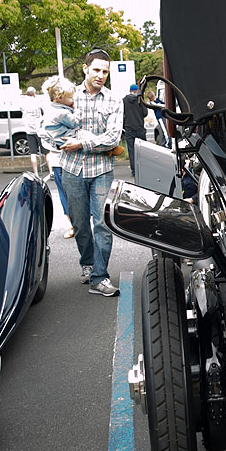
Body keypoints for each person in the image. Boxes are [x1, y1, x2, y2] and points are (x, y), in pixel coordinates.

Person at [59, 49, 124, 297]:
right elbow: (54, 130)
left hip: (101, 170)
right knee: (79, 224)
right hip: (71, 168)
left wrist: (82, 143)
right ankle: (87, 263)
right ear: (85, 69)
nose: (101, 75)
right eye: (96, 70)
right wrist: (66, 140)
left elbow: (112, 137)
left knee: (103, 223)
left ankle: (100, 276)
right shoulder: (68, 95)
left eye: (105, 71)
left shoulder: (113, 100)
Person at [38, 75, 84, 239]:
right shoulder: (60, 113)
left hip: (59, 158)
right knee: (71, 193)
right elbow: (79, 121)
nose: (73, 99)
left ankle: (74, 224)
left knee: (67, 194)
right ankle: (76, 224)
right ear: (59, 98)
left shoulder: (51, 109)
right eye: (70, 97)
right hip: (64, 158)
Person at [122, 83, 147, 177]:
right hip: (140, 127)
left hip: (129, 128)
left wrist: (124, 125)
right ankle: (143, 169)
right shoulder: (140, 99)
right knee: (142, 149)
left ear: (130, 90)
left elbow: (122, 114)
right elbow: (145, 113)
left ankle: (134, 171)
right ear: (137, 90)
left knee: (132, 150)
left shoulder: (124, 100)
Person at [21, 85, 44, 175]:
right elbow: (43, 111)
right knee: (46, 152)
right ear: (34, 93)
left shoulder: (24, 102)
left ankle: (36, 172)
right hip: (39, 129)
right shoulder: (38, 101)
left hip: (29, 130)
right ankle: (51, 171)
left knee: (33, 153)